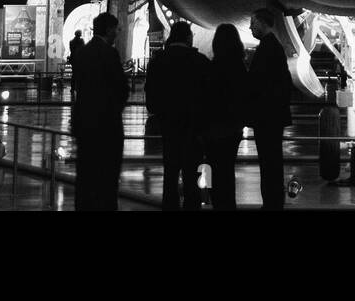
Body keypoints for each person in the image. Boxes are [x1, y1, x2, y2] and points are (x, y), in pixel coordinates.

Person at [144, 21, 210, 211]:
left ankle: (170, 205)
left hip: (168, 125)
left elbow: (151, 97)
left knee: (170, 174)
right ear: (188, 37)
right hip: (193, 127)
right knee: (192, 176)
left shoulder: (158, 61)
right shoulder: (199, 61)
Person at [70, 12, 128, 211]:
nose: (118, 34)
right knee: (107, 178)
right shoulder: (109, 54)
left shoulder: (82, 53)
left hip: (84, 123)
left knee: (85, 176)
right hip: (106, 126)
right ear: (109, 29)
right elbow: (121, 89)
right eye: (117, 29)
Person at [247, 9, 293, 210]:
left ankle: (271, 202)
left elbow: (259, 83)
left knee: (268, 163)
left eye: (253, 23)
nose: (250, 27)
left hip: (266, 118)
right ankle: (274, 201)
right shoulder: (274, 47)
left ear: (262, 23)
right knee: (272, 162)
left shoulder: (267, 48)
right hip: (273, 116)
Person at [205, 24, 249, 210]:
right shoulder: (239, 67)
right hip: (233, 127)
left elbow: (205, 97)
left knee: (215, 169)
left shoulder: (212, 67)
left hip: (214, 127)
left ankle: (218, 203)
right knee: (228, 169)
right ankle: (228, 204)